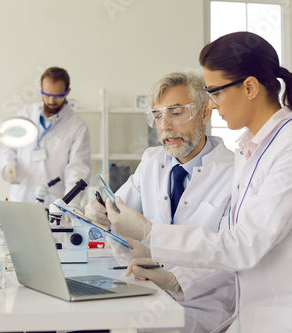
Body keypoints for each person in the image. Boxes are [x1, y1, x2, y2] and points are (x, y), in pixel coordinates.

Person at [105, 32, 292, 333]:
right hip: (257, 316)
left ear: (250, 87)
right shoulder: (252, 150)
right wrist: (174, 277)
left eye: (217, 92)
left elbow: (243, 246)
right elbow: (234, 244)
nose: (212, 104)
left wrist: (150, 233)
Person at [85, 71, 236, 333]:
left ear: (204, 113)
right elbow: (116, 210)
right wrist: (99, 212)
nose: (164, 126)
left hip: (201, 306)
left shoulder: (235, 173)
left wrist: (174, 279)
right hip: (149, 291)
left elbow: (233, 253)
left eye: (176, 113)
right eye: (157, 115)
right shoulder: (152, 160)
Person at [0, 67, 91, 207]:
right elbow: (10, 147)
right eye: (46, 95)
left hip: (54, 204)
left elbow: (77, 170)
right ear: (41, 88)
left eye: (57, 96)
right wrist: (8, 165)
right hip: (21, 198)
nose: (51, 101)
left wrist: (71, 206)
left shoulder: (77, 126)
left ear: (67, 92)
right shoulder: (26, 114)